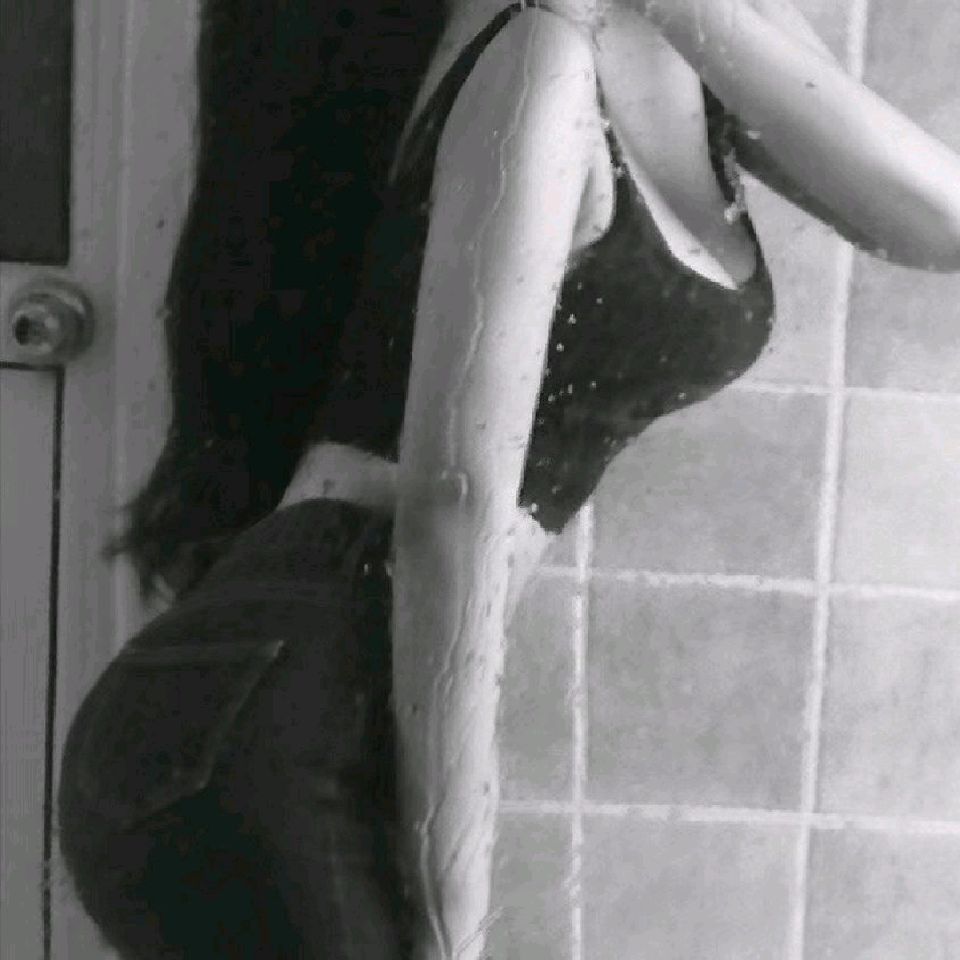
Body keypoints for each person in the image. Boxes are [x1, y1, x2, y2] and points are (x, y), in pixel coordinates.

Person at [57, 0, 960, 957]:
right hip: (277, 714)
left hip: (306, 693)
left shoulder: (693, 43)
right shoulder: (543, 59)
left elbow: (937, 221)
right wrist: (452, 893)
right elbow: (452, 509)